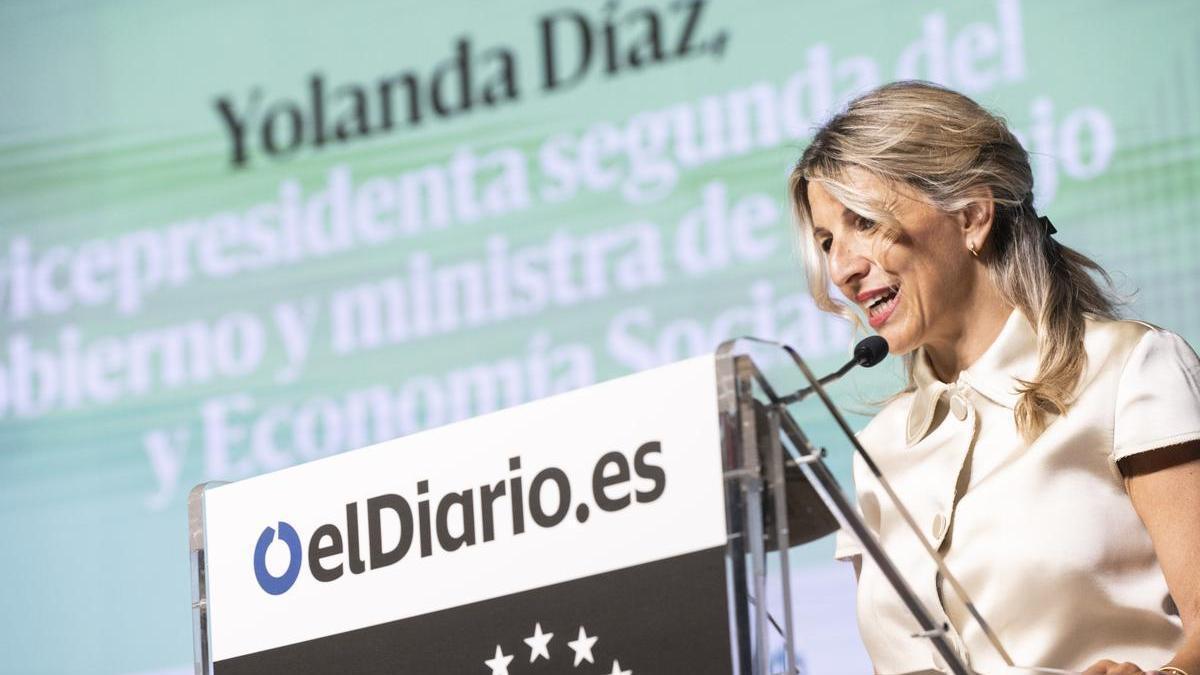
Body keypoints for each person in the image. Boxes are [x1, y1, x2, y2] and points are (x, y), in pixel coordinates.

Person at [788, 80, 1200, 675]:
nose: (843, 268)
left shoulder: (1131, 373)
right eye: (827, 240)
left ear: (973, 215)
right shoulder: (876, 450)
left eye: (865, 222)